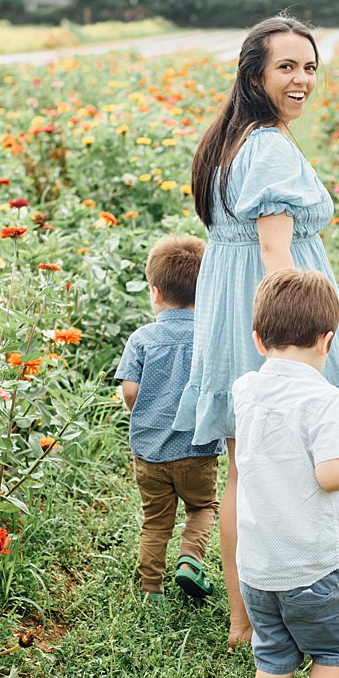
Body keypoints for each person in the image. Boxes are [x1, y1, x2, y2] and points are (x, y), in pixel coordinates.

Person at [174, 15, 339, 651]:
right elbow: (274, 250)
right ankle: (296, 603)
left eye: (310, 67)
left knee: (250, 465)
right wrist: (300, 338)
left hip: (232, 301)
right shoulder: (266, 144)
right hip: (270, 306)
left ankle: (249, 619)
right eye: (287, 67)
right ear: (255, 74)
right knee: (319, 449)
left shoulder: (231, 137)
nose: (302, 80)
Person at [234, 268, 339, 678]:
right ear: (327, 340)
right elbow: (332, 473)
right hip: (316, 565)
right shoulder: (325, 399)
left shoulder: (245, 390)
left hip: (259, 567)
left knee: (272, 659)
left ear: (259, 340)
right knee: (330, 655)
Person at [115, 233, 223, 603]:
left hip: (149, 453)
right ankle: (190, 560)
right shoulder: (210, 338)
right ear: (204, 290)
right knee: (202, 507)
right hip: (197, 450)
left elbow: (130, 390)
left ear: (155, 292)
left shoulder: (142, 338)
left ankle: (151, 588)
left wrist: (143, 410)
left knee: (156, 521)